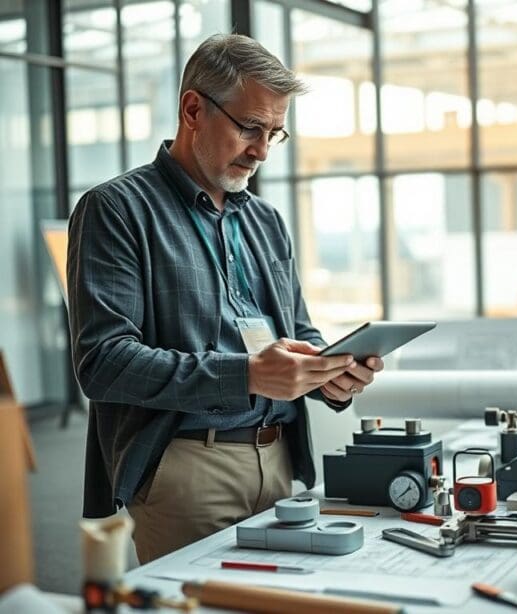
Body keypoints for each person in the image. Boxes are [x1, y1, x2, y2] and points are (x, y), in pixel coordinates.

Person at [67, 33, 383, 564]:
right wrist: (248, 375)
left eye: (274, 134)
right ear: (193, 109)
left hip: (280, 459)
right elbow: (102, 362)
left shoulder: (266, 219)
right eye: (250, 128)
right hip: (187, 466)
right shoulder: (116, 210)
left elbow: (298, 331)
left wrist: (332, 373)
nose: (261, 150)